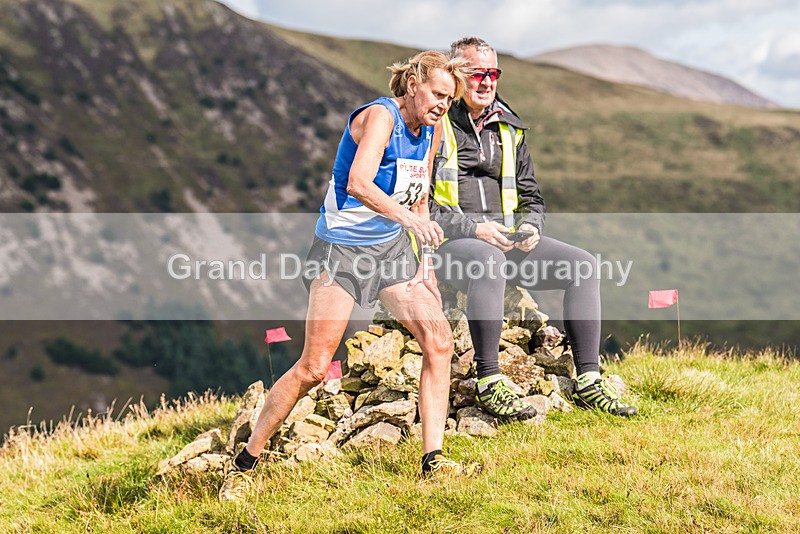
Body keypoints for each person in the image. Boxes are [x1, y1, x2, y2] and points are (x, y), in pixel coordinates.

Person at [219, 51, 478, 502]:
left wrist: (426, 266)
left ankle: (433, 461)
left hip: (392, 250)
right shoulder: (380, 117)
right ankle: (246, 461)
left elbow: (419, 198)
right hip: (340, 252)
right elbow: (358, 182)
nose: (443, 105)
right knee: (314, 368)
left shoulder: (432, 129)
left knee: (439, 342)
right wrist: (409, 220)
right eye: (438, 94)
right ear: (413, 84)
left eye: (450, 99)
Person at [430, 37, 638, 419]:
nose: (487, 82)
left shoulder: (510, 127)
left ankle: (589, 381)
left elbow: (531, 196)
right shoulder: (434, 123)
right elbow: (419, 203)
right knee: (488, 260)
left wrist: (530, 226)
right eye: (477, 73)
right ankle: (489, 382)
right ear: (455, 74)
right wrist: (474, 229)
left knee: (583, 265)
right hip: (449, 245)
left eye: (493, 73)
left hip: (508, 242)